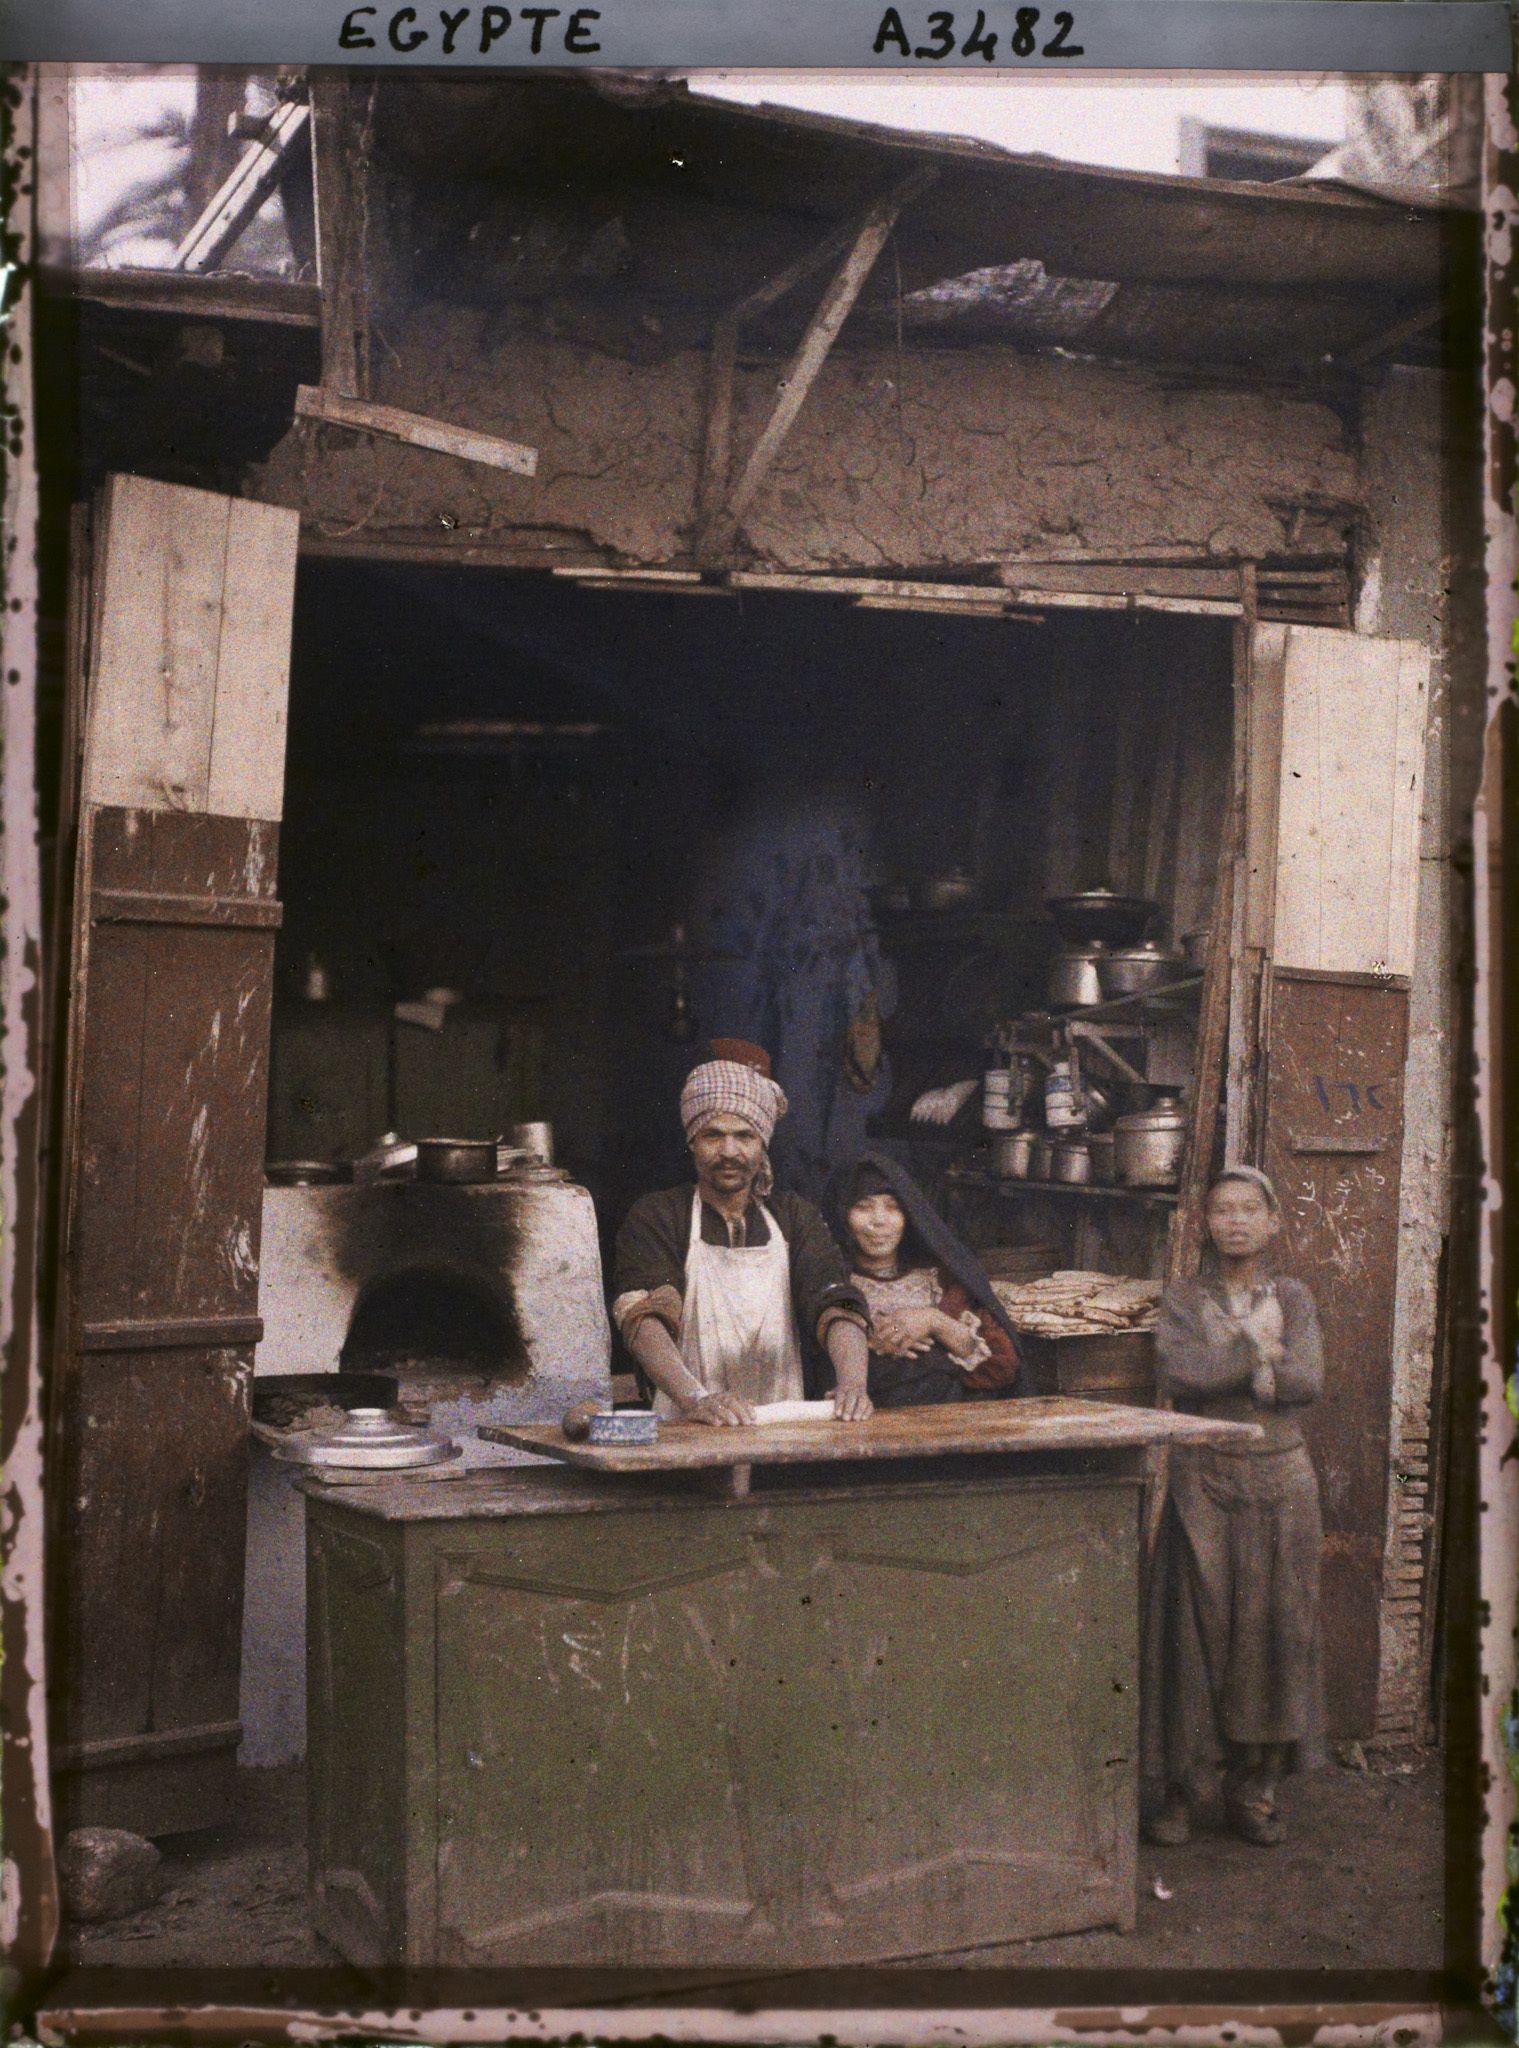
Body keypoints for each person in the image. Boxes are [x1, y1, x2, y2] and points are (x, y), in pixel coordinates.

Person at [1142, 1165, 1326, 1849]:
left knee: (1274, 1637)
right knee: (1192, 1639)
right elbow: (1176, 1373)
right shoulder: (1184, 1297)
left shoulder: (1295, 1295)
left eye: (1249, 1209)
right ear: (1206, 1222)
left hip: (1281, 1484)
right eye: (1222, 1210)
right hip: (1204, 1480)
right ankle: (1183, 1791)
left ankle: (1256, 1790)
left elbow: (1307, 1380)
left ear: (1273, 1222)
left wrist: (1251, 1365)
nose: (1235, 1221)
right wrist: (1255, 1349)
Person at [612, 1040, 874, 1425]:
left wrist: (853, 1383)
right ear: (692, 1142)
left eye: (745, 1136)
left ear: (763, 1144)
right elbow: (643, 1316)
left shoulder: (793, 1217)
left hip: (779, 1427)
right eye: (713, 1135)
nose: (729, 1150)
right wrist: (695, 1399)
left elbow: (837, 1302)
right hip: (687, 1423)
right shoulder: (661, 1215)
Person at [827, 1149, 1024, 1409]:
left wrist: (933, 1321)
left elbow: (1003, 1366)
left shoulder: (939, 1281)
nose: (879, 1221)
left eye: (892, 1207)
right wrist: (859, 1342)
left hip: (939, 1428)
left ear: (909, 1215)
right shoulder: (831, 1282)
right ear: (843, 1216)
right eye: (863, 1207)